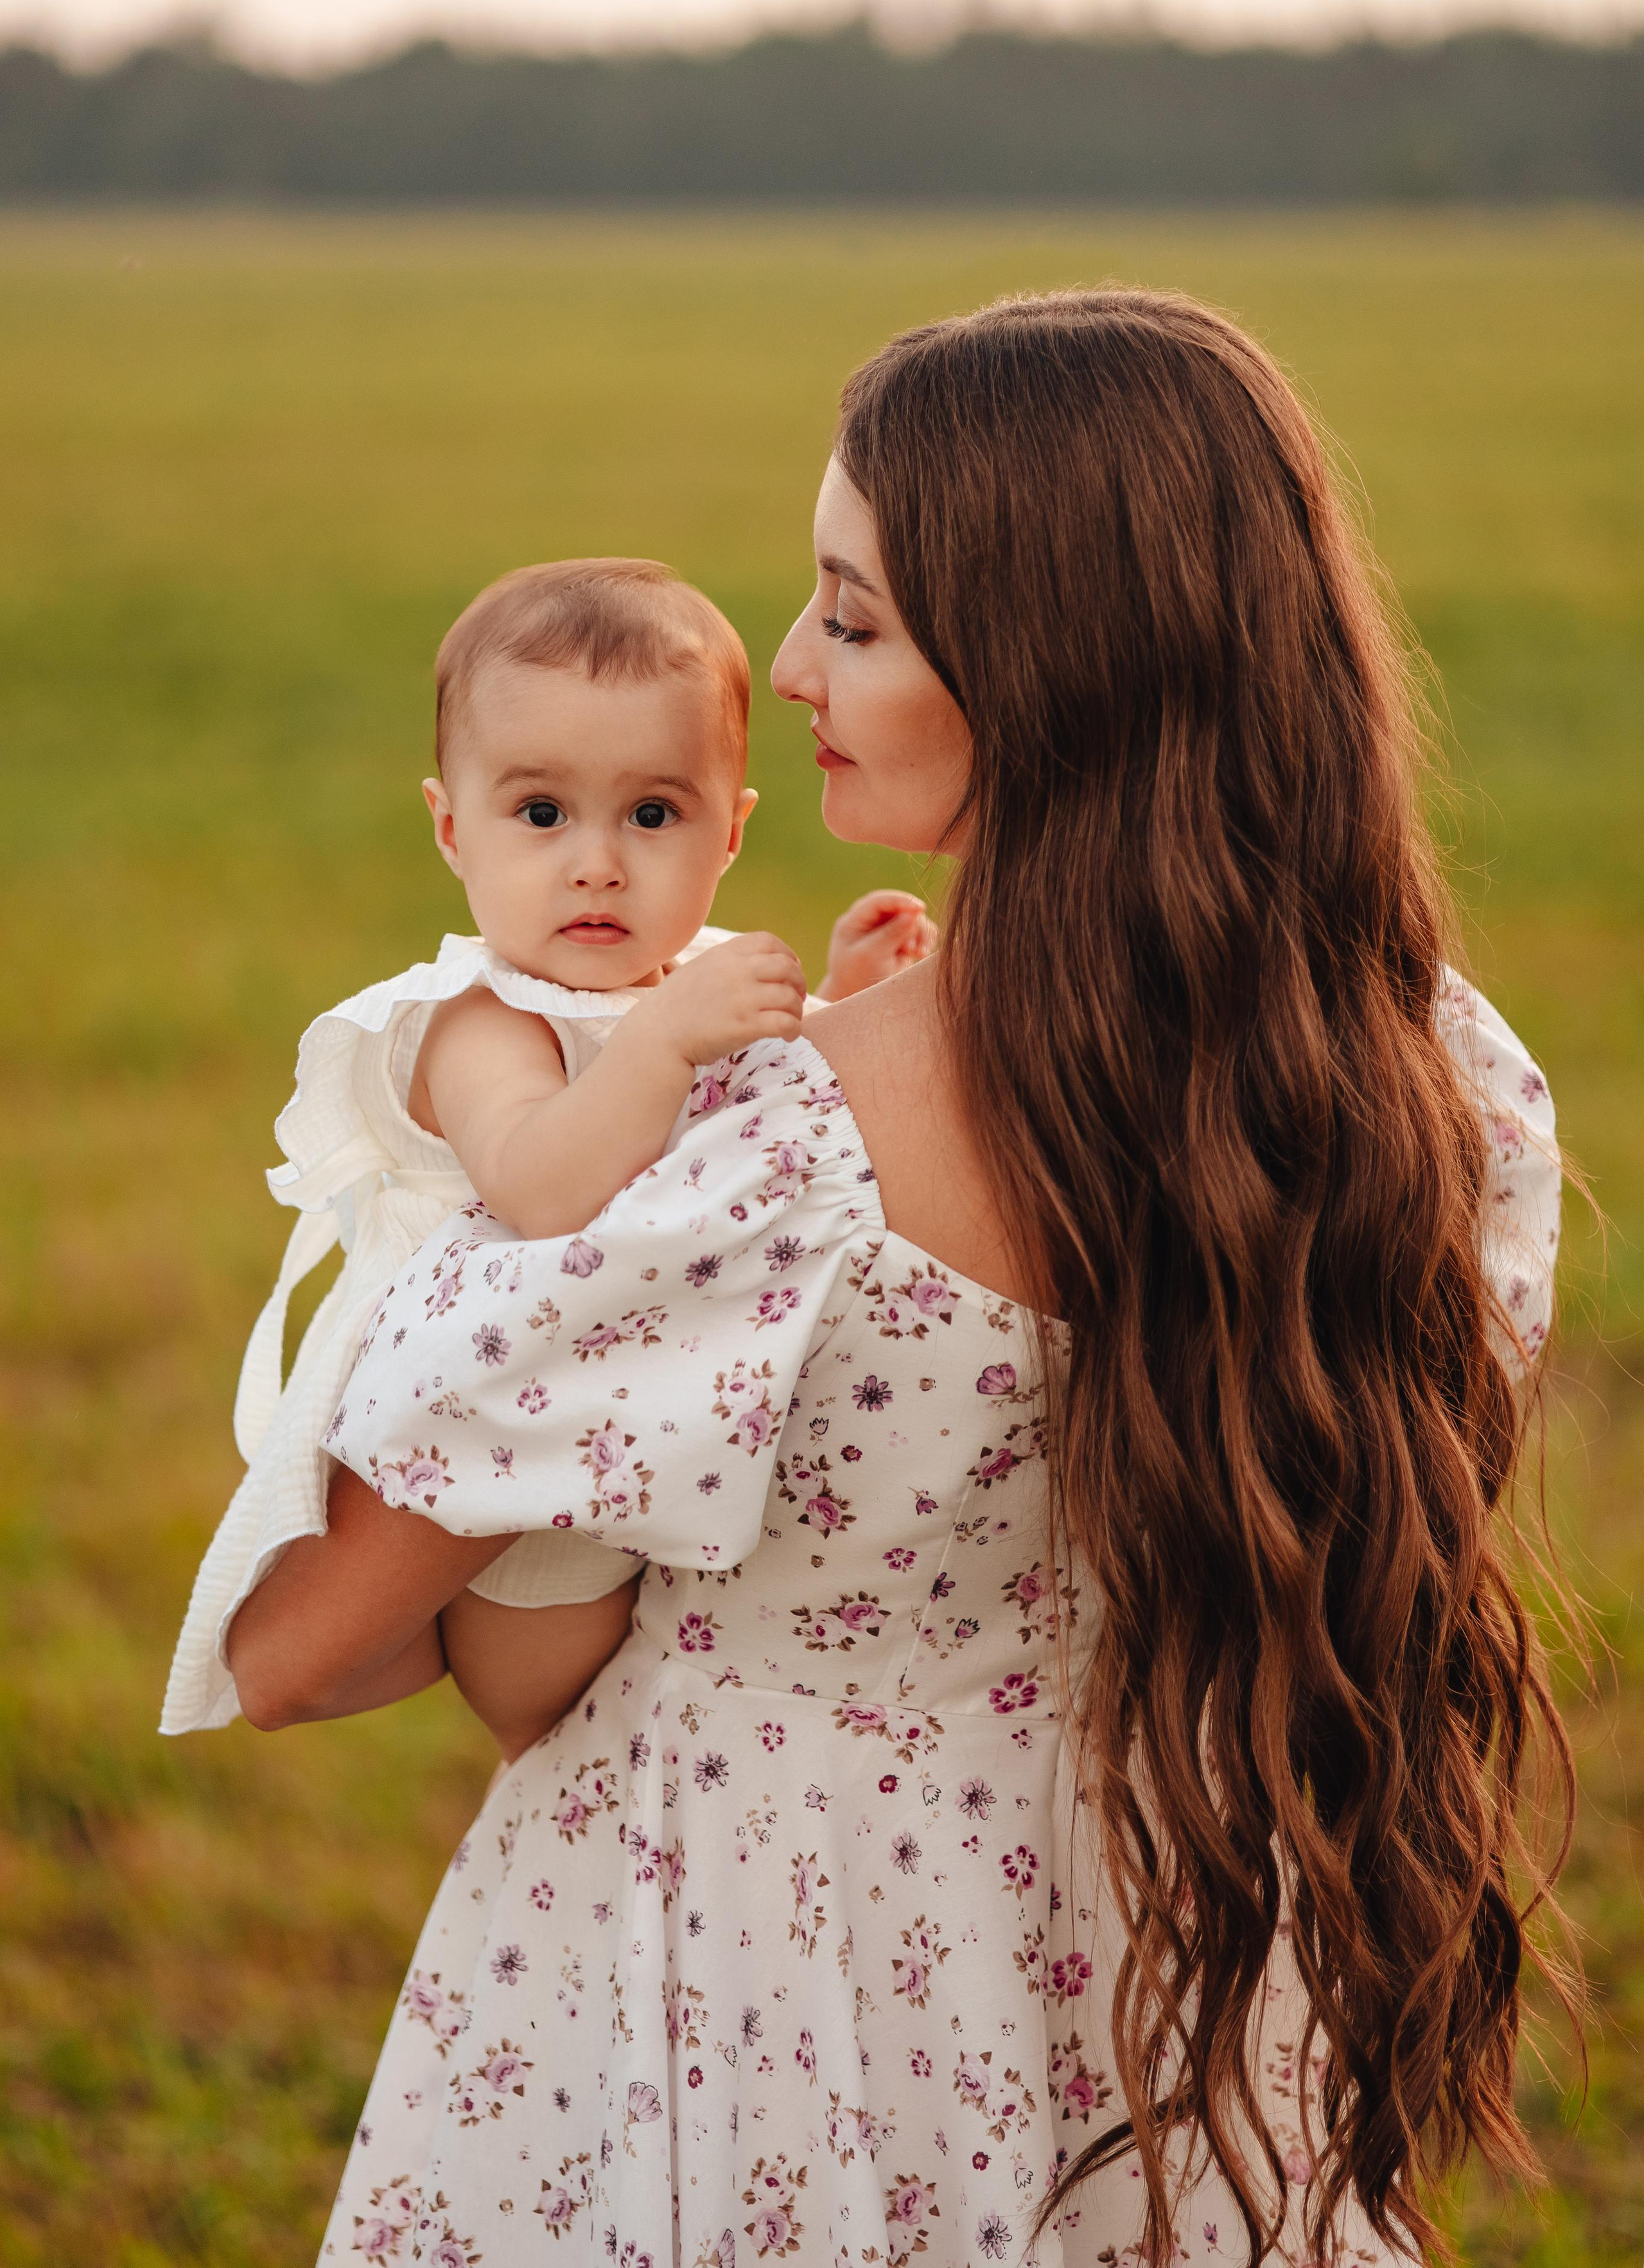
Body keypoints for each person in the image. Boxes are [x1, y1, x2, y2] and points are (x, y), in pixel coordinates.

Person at [226, 291, 1566, 2268]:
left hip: (750, 2003)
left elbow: (300, 1654)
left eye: (851, 616)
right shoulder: (1431, 1092)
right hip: (1166, 1987)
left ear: (1049, 667)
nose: (781, 671)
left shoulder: (761, 1159)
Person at [162, 555, 932, 1741]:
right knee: (558, 1709)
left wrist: (836, 1002)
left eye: (653, 815)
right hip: (498, 1471)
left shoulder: (671, 979)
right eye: (540, 814)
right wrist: (668, 1040)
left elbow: (764, 1114)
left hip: (622, 1428)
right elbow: (539, 1191)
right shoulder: (484, 1019)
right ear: (451, 829)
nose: (597, 862)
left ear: (729, 834)